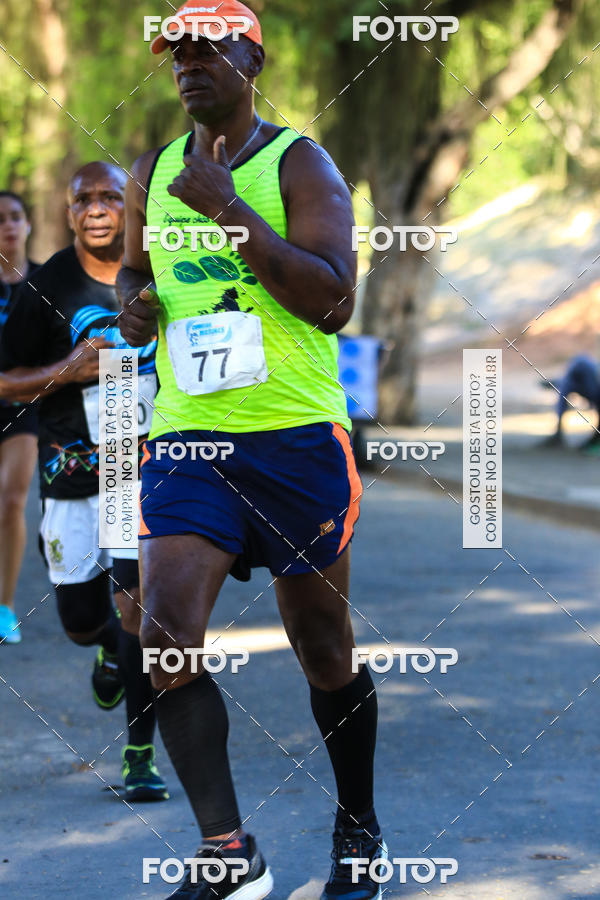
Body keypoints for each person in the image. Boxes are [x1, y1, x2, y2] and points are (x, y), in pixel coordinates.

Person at [117, 3, 383, 898]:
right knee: (163, 638)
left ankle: (358, 828)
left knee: (321, 646)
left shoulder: (298, 164)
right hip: (190, 439)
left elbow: (333, 300)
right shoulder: (156, 170)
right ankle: (230, 852)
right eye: (176, 53)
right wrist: (134, 309)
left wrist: (229, 208)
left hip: (294, 439)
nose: (188, 66)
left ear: (252, 58)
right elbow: (133, 276)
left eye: (207, 50)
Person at [0, 163, 168, 801]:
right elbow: (4, 381)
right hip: (69, 469)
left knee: (139, 610)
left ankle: (139, 757)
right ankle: (102, 648)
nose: (97, 209)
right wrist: (68, 372)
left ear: (131, 207)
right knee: (79, 617)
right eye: (83, 199)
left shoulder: (162, 273)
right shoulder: (44, 286)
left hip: (141, 467)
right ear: (67, 212)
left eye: (110, 197)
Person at [0, 191, 42, 644]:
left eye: (15, 217)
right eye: (0, 220)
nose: (8, 227)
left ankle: (5, 607)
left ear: (28, 225)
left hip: (24, 410)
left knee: (12, 501)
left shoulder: (47, 283)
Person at [542, 355, 600, 453]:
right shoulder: (572, 378)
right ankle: (593, 439)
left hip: (587, 380)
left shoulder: (590, 380)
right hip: (579, 378)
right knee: (564, 386)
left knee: (564, 386)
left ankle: (594, 439)